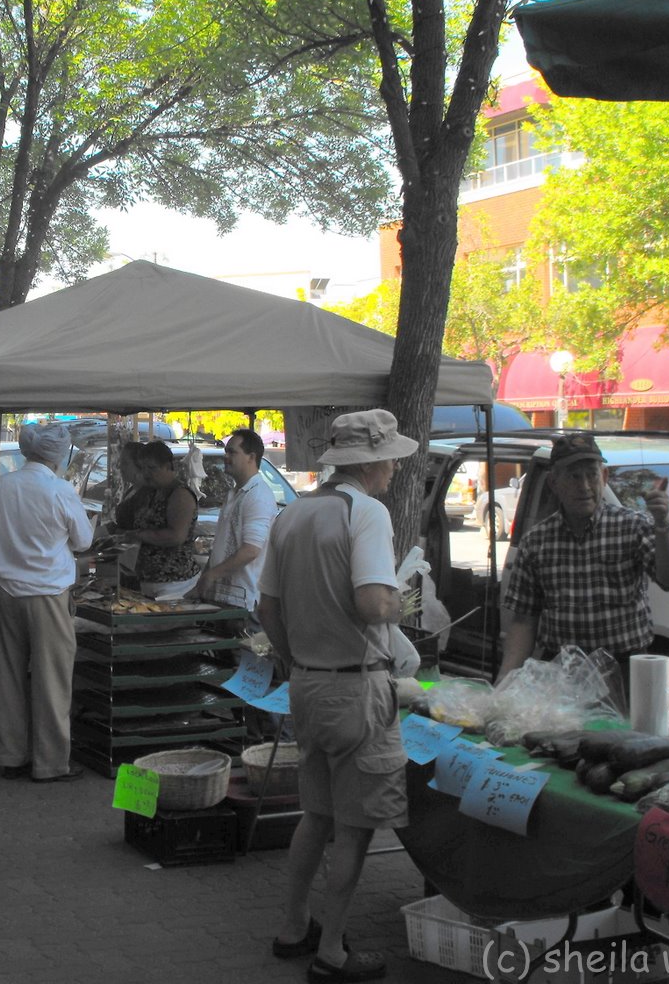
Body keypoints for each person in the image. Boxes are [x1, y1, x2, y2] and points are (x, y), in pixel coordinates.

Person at [258, 409, 419, 982]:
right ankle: (332, 950)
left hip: (305, 684)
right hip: (358, 687)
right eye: (391, 457)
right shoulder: (367, 513)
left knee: (315, 815)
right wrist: (404, 601)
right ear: (371, 462)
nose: (397, 467)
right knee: (352, 827)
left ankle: (293, 925)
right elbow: (375, 604)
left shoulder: (294, 512)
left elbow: (267, 609)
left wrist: (293, 655)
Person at [498, 431, 669, 681]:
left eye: (591, 475)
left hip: (625, 670)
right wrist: (504, 680)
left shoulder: (633, 527)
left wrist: (663, 524)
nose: (584, 486)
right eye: (574, 477)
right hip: (563, 675)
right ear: (554, 483)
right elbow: (524, 622)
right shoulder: (536, 542)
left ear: (603, 477)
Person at [0, 423, 93, 784]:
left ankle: (11, 755)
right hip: (46, 593)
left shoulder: (0, 487)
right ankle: (49, 762)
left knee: (10, 675)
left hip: (7, 592)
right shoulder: (59, 490)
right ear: (59, 454)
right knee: (51, 680)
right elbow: (84, 540)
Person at [195, 428, 277, 612]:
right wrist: (206, 576)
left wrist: (212, 575)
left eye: (232, 452)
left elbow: (251, 550)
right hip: (221, 599)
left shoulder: (258, 495)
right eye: (226, 451)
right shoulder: (234, 493)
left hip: (242, 602)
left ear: (251, 457)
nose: (226, 457)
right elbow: (221, 546)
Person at [120, 441, 199, 593]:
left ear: (168, 466)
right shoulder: (149, 492)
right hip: (146, 579)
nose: (146, 473)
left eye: (152, 468)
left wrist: (139, 535)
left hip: (174, 581)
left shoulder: (180, 494)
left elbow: (176, 536)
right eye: (143, 468)